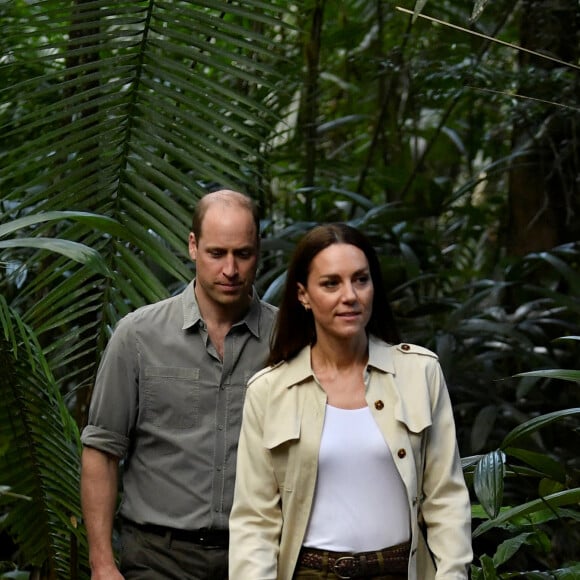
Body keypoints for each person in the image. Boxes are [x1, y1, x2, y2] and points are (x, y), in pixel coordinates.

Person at [229, 223, 472, 580]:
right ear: (303, 295)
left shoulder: (419, 373)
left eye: (361, 279)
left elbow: (446, 500)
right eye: (331, 283)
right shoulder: (269, 390)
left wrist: (452, 574)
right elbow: (255, 521)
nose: (350, 295)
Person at [80, 190, 277, 580]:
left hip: (256, 557)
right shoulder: (138, 336)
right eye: (216, 253)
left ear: (258, 250)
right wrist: (102, 562)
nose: (231, 270)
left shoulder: (286, 339)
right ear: (193, 246)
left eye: (243, 254)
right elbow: (101, 450)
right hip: (157, 558)